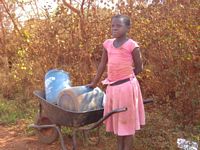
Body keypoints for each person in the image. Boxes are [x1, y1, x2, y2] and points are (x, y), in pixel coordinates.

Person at [87, 14, 145, 150]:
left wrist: (127, 79)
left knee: (128, 124)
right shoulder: (107, 44)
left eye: (118, 26)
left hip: (126, 88)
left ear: (128, 28)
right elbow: (102, 64)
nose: (114, 28)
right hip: (112, 88)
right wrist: (94, 82)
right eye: (113, 25)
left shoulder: (132, 45)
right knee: (119, 121)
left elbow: (139, 66)